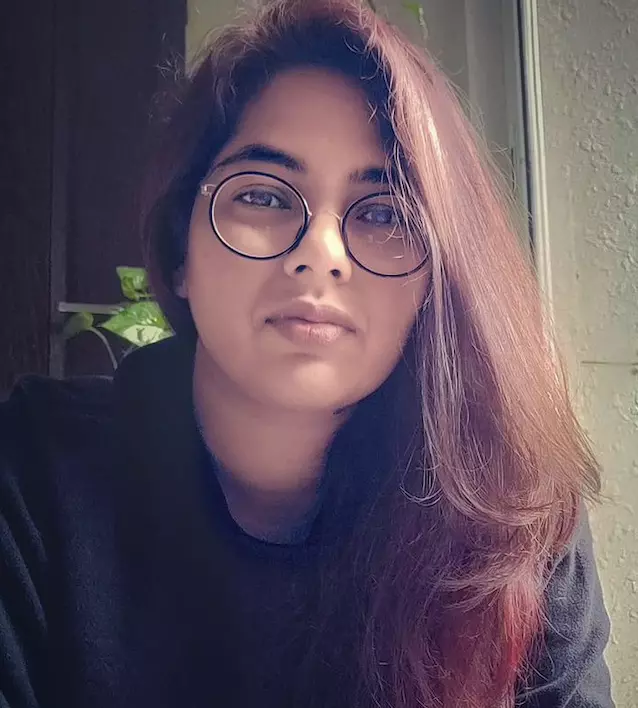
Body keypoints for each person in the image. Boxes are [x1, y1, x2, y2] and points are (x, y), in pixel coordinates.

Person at [0, 0, 615, 706]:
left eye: (383, 212)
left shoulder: (509, 512)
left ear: (435, 282)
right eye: (263, 198)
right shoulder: (33, 477)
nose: (319, 255)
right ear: (178, 251)